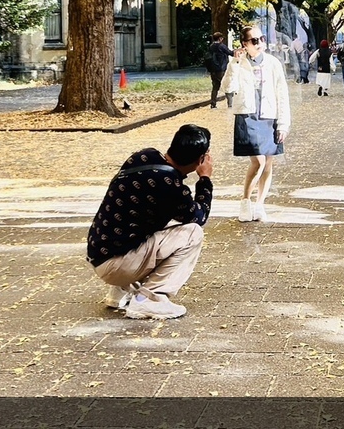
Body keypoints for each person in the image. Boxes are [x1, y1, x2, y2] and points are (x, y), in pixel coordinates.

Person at [87, 124, 213, 320]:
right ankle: (149, 300)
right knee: (192, 233)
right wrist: (204, 178)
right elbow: (200, 216)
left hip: (98, 254)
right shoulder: (172, 187)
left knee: (152, 224)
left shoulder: (142, 157)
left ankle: (120, 291)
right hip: (119, 265)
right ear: (200, 159)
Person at [223, 24, 291, 221]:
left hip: (269, 114)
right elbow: (227, 88)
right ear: (244, 44)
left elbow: (282, 94)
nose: (260, 43)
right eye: (254, 40)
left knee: (268, 161)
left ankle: (260, 204)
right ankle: (245, 201)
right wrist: (234, 63)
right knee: (258, 160)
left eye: (261, 39)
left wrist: (283, 123)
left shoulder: (273, 63)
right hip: (247, 115)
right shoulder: (238, 63)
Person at [205, 32, 232, 109]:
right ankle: (230, 104)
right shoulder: (221, 46)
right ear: (220, 38)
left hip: (212, 69)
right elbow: (230, 53)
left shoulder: (211, 46)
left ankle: (213, 104)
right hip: (221, 69)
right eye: (222, 38)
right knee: (227, 85)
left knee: (215, 87)